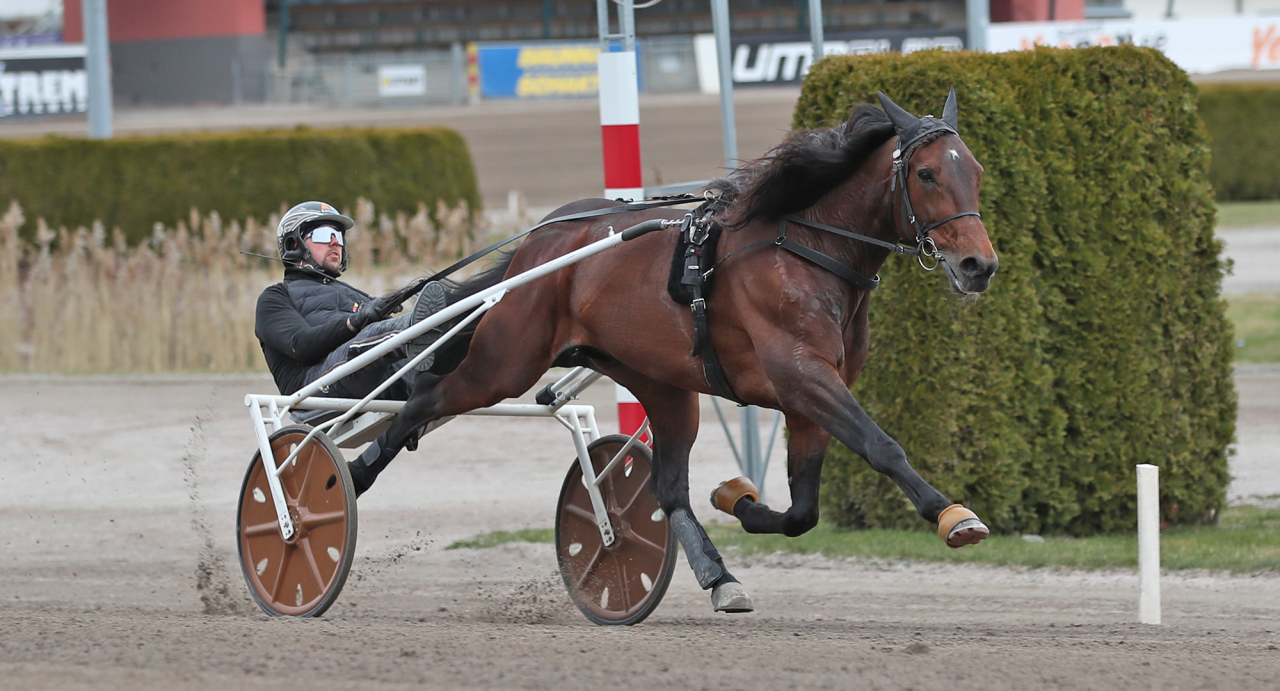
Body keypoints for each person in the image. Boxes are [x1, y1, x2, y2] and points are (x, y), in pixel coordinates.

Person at [254, 201, 448, 492]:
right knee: (387, 332)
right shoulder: (274, 298)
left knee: (452, 328)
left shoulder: (351, 293)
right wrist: (357, 322)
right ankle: (423, 333)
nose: (335, 241)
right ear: (294, 244)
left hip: (378, 376)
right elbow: (301, 346)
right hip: (317, 384)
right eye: (322, 234)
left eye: (339, 236)